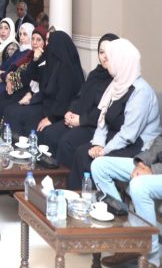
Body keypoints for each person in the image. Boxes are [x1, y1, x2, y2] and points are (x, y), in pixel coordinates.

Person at [66, 38, 161, 189]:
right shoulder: (117, 84)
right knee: (81, 152)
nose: (106, 61)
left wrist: (104, 150)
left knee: (88, 158)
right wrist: (98, 143)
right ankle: (76, 198)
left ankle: (101, 201)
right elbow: (102, 120)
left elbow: (129, 134)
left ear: (121, 62)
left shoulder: (141, 92)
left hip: (138, 145)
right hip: (117, 138)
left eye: (110, 58)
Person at [91, 135, 162, 268]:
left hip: (158, 170)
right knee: (100, 165)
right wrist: (143, 163)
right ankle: (128, 241)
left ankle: (152, 257)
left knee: (139, 185)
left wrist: (154, 170)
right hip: (156, 166)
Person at [39, 33, 119, 161]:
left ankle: (63, 174)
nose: (104, 56)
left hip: (94, 126)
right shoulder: (95, 74)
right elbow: (79, 96)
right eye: (101, 52)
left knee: (66, 142)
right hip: (78, 118)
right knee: (50, 133)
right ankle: (49, 169)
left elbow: (104, 111)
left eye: (109, 52)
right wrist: (70, 112)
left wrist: (81, 120)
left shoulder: (117, 80)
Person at [3, 31, 84, 138]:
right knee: (11, 110)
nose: (48, 46)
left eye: (49, 42)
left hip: (59, 112)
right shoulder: (53, 62)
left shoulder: (67, 70)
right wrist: (31, 95)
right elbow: (34, 79)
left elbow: (64, 99)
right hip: (46, 104)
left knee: (18, 115)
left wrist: (52, 118)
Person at [0, 27, 47, 122]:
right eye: (33, 39)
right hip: (16, 86)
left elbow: (29, 76)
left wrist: (12, 79)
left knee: (2, 108)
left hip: (27, 90)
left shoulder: (44, 59)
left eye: (38, 40)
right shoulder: (30, 55)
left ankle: (1, 130)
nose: (34, 42)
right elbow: (14, 68)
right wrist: (9, 78)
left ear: (44, 43)